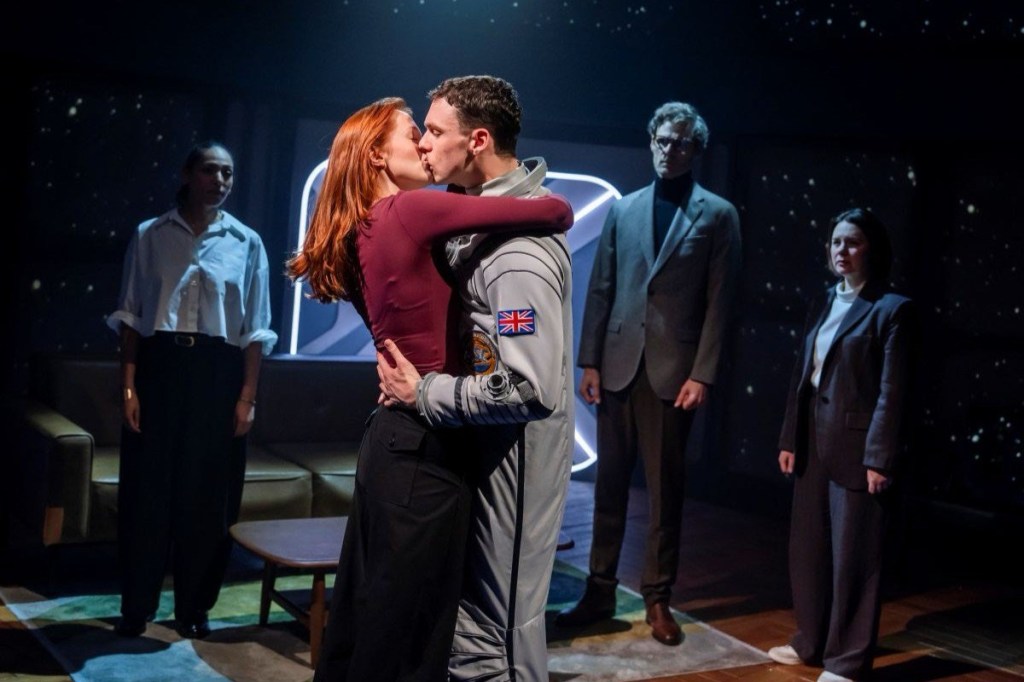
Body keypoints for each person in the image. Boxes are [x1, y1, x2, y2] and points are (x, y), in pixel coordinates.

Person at [286, 97, 573, 682]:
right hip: (423, 447)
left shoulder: (364, 229)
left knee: (366, 626)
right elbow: (556, 210)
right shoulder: (407, 211)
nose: (421, 144)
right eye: (414, 131)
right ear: (377, 156)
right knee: (407, 641)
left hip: (395, 444)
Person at [377, 75, 574, 682]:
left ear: (478, 140)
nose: (423, 142)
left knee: (497, 633)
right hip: (479, 450)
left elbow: (529, 388)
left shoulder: (517, 255)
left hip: (513, 460)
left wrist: (424, 391)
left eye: (436, 131)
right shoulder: (475, 227)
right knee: (470, 625)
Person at [555, 101, 741, 645]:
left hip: (673, 371)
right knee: (609, 486)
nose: (668, 150)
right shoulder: (624, 208)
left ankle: (658, 597)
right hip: (617, 365)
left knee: (664, 491)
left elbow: (720, 302)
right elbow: (602, 287)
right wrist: (589, 360)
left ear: (696, 148)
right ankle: (599, 590)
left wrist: (703, 374)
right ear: (651, 142)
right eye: (662, 140)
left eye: (679, 142)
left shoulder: (718, 214)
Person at [107, 141, 278, 639]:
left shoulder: (247, 242)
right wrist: (128, 388)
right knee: (147, 493)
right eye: (209, 171)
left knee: (208, 498)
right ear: (187, 174)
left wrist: (246, 398)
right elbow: (131, 316)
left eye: (227, 174)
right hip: (160, 366)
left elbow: (254, 330)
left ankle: (194, 608)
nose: (219, 182)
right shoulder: (151, 234)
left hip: (218, 372)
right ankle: (136, 607)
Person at [769, 208, 915, 682]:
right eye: (836, 242)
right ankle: (809, 641)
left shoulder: (891, 309)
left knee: (855, 556)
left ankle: (847, 661)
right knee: (808, 549)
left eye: (852, 242)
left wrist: (880, 457)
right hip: (812, 440)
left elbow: (893, 392)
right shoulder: (822, 300)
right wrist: (790, 437)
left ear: (872, 249)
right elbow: (803, 376)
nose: (841, 251)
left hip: (857, 447)